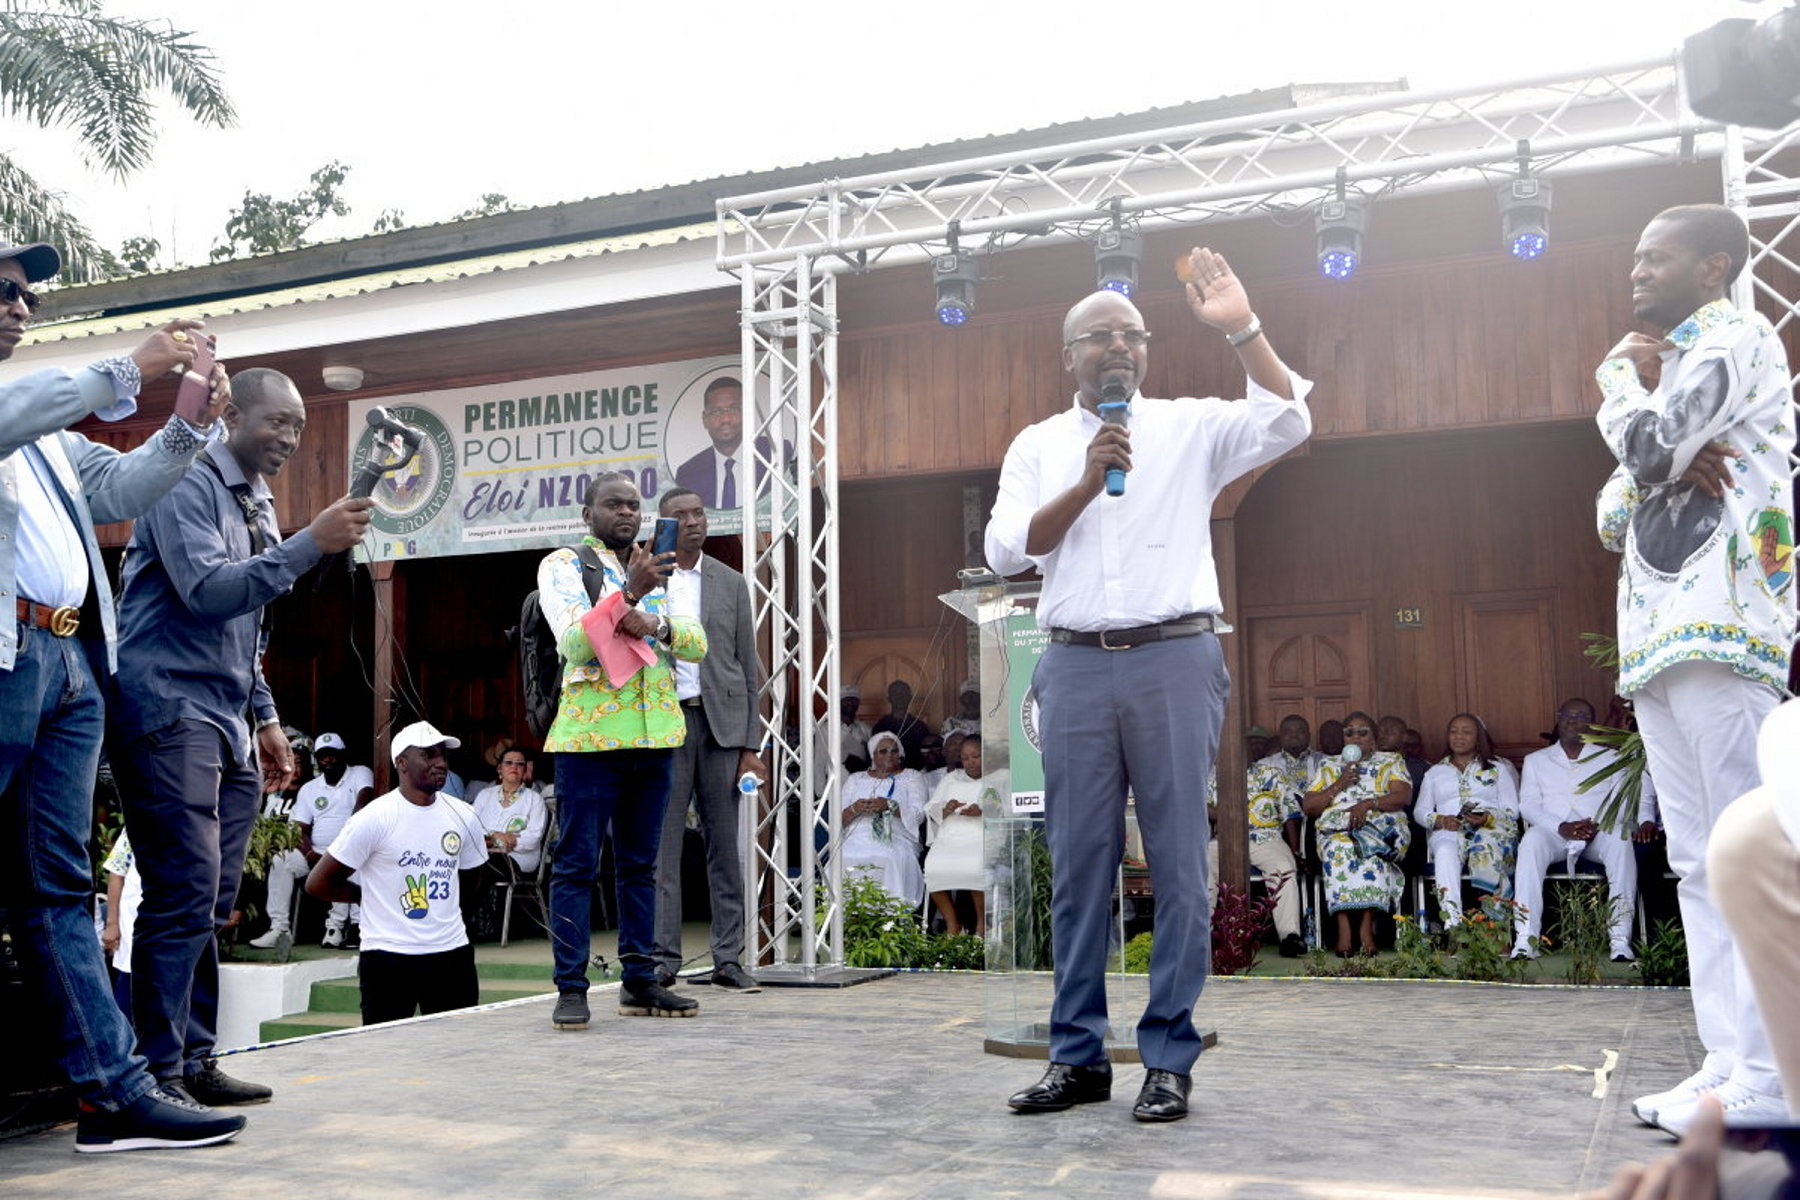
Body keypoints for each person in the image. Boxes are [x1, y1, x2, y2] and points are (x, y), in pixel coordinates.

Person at [985, 247, 1311, 1123]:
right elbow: (1008, 549)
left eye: (1132, 335)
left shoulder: (1189, 424)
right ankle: (1079, 1057)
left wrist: (1241, 327)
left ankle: (1169, 1055)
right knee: (1081, 867)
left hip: (1175, 656)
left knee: (1177, 863)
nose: (1118, 347)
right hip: (1076, 662)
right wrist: (1091, 480)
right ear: (1069, 356)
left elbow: (1288, 422)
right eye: (1100, 337)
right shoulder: (1039, 445)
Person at [0, 239, 247, 1151]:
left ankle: (110, 1097)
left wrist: (188, 415)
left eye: (25, 296)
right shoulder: (20, 410)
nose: (20, 307)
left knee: (57, 887)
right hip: (5, 660)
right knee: (48, 886)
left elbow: (131, 484)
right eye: (2, 291)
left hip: (65, 664)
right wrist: (127, 366)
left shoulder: (53, 444)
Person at [110, 367, 373, 1106]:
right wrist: (308, 543)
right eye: (276, 422)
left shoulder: (252, 495)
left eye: (297, 426)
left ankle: (194, 1060)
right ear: (234, 417)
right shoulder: (185, 482)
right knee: (180, 892)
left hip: (227, 718)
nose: (289, 438)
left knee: (212, 903)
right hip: (168, 709)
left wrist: (263, 717)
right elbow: (208, 592)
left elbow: (246, 623)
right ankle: (153, 1075)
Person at [1594, 203, 1795, 1134]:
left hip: (1727, 624)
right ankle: (1730, 1062)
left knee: (1748, 856)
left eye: (1655, 257)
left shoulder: (1737, 335)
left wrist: (1625, 394)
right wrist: (1657, 448)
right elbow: (1610, 511)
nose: (1636, 272)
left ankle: (1776, 1067)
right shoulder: (1666, 370)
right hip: (1660, 637)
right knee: (1695, 863)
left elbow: (1640, 448)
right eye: (1634, 258)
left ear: (1713, 267)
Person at [539, 472, 706, 1031]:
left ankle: (640, 980)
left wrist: (654, 619)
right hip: (589, 741)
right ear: (588, 515)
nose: (627, 513)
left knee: (641, 866)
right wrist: (627, 594)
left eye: (634, 505)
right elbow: (572, 644)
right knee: (576, 867)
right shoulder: (565, 566)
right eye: (614, 505)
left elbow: (695, 641)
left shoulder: (660, 564)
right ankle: (571, 986)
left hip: (656, 735)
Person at [650, 487, 767, 992]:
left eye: (699, 513)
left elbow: (748, 665)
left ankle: (727, 958)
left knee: (726, 847)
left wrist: (751, 745)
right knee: (663, 850)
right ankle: (662, 961)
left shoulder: (731, 582)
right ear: (665, 525)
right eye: (682, 516)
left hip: (721, 728)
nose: (694, 521)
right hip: (664, 727)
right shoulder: (646, 579)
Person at [305, 722, 488, 1025]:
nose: (440, 762)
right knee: (384, 1055)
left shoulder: (463, 814)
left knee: (458, 1053)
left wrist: (446, 915)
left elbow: (473, 878)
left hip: (451, 954)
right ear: (402, 763)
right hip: (387, 957)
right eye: (428, 755)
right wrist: (366, 897)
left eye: (442, 754)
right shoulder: (375, 818)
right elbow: (319, 882)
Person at [1511, 699, 1649, 962]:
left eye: (1581, 715)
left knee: (1621, 842)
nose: (1572, 720)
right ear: (1558, 718)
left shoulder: (1611, 757)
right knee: (1530, 841)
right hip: (1556, 831)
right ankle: (1526, 940)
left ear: (1593, 724)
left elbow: (1622, 802)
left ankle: (1620, 941)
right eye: (1567, 715)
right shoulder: (1536, 760)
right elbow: (1528, 805)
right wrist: (1561, 826)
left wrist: (1596, 824)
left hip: (1599, 830)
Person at [1304, 712, 1413, 957]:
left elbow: (1402, 796)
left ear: (1374, 737)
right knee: (1338, 850)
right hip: (1337, 831)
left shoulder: (1390, 761)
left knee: (1371, 851)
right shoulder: (1329, 765)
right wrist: (1340, 783)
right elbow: (1309, 807)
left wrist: (1368, 803)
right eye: (1349, 732)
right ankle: (1343, 929)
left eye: (1363, 732)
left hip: (1380, 827)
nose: (1355, 737)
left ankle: (1366, 929)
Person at [253, 732, 374, 951]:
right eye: (322, 756)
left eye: (333, 754)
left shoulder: (359, 773)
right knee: (282, 860)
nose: (328, 760)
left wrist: (337, 852)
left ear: (343, 754)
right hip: (315, 853)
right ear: (316, 759)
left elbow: (362, 806)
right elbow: (299, 830)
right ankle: (279, 928)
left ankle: (349, 927)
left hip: (348, 848)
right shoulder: (310, 789)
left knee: (354, 860)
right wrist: (310, 855)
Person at [1412, 713, 1521, 928]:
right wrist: (1440, 819)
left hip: (1491, 830)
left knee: (1485, 847)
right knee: (1444, 851)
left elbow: (1513, 810)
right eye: (1453, 731)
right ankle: (1453, 926)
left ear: (1478, 738)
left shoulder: (1497, 769)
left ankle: (1495, 927)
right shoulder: (1435, 772)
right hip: (1449, 830)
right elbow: (1420, 811)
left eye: (1466, 732)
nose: (1458, 736)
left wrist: (1488, 817)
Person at [463, 747, 549, 941]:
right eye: (509, 762)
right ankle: (468, 924)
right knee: (467, 867)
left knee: (484, 866)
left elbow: (533, 837)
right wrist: (498, 836)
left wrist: (500, 841)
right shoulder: (485, 795)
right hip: (486, 856)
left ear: (525, 770)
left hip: (519, 859)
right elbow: (472, 826)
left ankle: (468, 925)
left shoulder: (533, 799)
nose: (514, 767)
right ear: (499, 769)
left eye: (520, 764)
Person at [923, 735, 1006, 935]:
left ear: (986, 755)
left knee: (974, 866)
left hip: (983, 835)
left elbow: (1011, 809)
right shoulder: (952, 778)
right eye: (965, 758)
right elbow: (931, 808)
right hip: (951, 835)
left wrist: (984, 810)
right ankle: (953, 924)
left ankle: (981, 925)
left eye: (976, 756)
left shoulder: (1002, 776)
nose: (970, 762)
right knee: (933, 868)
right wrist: (946, 807)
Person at [838, 731, 928, 908]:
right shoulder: (856, 779)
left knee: (886, 857)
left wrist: (890, 806)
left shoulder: (912, 777)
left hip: (896, 837)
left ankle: (887, 917)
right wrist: (856, 808)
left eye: (894, 751)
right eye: (883, 751)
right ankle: (847, 917)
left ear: (901, 754)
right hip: (858, 836)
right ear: (872, 755)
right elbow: (836, 819)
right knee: (841, 857)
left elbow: (919, 814)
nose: (889, 755)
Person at [672, 376, 791, 507]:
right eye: (716, 411)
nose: (726, 419)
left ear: (748, 413)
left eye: (734, 409)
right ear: (705, 419)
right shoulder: (689, 473)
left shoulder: (776, 452)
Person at [1241, 744, 1308, 957]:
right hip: (1224, 840)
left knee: (1284, 868)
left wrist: (1295, 850)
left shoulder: (1271, 774)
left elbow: (1290, 813)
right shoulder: (1210, 777)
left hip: (1267, 838)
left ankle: (1290, 936)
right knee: (1204, 866)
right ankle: (1207, 935)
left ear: (1253, 752)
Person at [812, 683, 871, 794]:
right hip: (834, 789)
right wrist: (820, 794)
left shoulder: (865, 729)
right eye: (846, 699)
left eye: (853, 699)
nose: (850, 702)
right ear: (837, 703)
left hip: (861, 788)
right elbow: (819, 762)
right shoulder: (825, 729)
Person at [871, 678, 933, 770]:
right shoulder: (880, 727)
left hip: (914, 775)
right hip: (887, 774)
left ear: (910, 697)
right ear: (889, 698)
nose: (900, 696)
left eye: (903, 692)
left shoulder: (920, 727)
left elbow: (926, 755)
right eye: (895, 693)